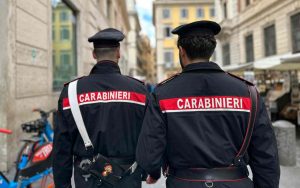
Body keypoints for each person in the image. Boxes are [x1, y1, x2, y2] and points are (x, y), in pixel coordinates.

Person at [136, 21, 280, 188]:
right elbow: (266, 155)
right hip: (235, 183)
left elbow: (148, 154)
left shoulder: (162, 94)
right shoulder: (249, 93)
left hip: (183, 183)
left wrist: (153, 172)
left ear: (182, 52)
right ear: (212, 50)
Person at [53, 28, 149, 188]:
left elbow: (61, 149)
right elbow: (148, 137)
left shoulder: (71, 92)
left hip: (86, 179)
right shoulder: (139, 91)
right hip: (127, 178)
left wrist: (63, 185)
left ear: (94, 54)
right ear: (118, 53)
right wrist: (147, 171)